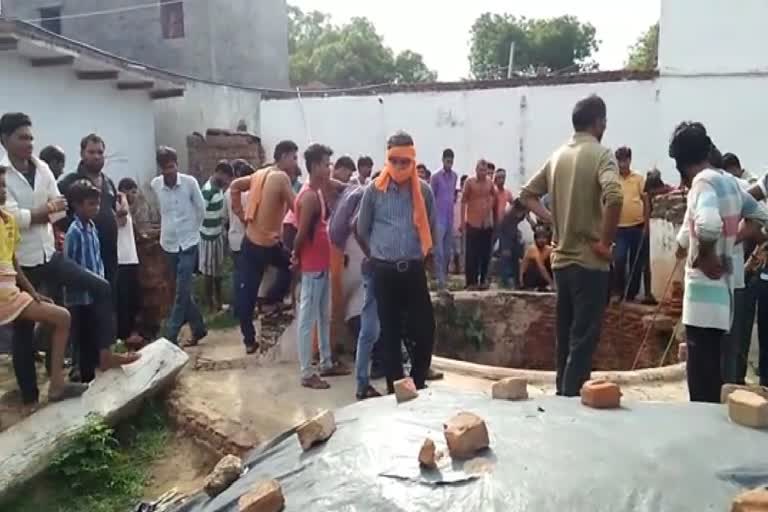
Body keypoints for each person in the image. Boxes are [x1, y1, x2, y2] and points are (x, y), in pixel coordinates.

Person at [1, 113, 122, 405]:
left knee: (101, 287)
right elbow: (12, 217)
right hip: (21, 261)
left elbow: (60, 207)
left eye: (31, 137)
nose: (28, 143)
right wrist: (40, 213)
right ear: (5, 140)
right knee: (23, 331)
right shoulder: (2, 173)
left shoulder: (41, 167)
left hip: (48, 253)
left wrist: (38, 214)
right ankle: (30, 396)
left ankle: (105, 354)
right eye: (22, 138)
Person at [520, 95, 623, 397]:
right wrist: (605, 242)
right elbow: (615, 196)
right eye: (604, 121)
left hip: (561, 263)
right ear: (598, 122)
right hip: (590, 264)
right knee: (583, 341)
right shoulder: (603, 154)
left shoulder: (558, 156)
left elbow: (526, 195)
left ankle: (560, 400)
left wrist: (555, 219)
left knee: (564, 338)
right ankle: (571, 404)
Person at [671, 122, 768, 402]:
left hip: (702, 301)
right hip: (723, 300)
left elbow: (709, 224)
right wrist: (732, 240)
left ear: (681, 161)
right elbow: (760, 215)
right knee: (716, 377)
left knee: (701, 387)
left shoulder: (702, 183)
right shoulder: (728, 182)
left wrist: (706, 255)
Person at [357, 131, 438, 394]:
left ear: (412, 159)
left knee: (424, 330)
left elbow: (432, 230)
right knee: (389, 334)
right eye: (395, 160)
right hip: (385, 272)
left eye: (405, 161)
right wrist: (375, 256)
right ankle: (397, 392)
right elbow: (361, 228)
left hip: (413, 270)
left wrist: (430, 261)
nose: (400, 167)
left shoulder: (424, 191)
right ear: (388, 159)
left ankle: (417, 383)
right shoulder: (374, 190)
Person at [0, 166, 87, 401]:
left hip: (11, 295)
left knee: (61, 317)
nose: (2, 191)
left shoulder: (7, 220)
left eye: (3, 187)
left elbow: (13, 263)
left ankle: (56, 384)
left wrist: (32, 293)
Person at [64, 180, 140, 383]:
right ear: (77, 205)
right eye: (90, 204)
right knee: (84, 337)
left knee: (98, 329)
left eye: (97, 204)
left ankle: (103, 361)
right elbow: (70, 267)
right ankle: (84, 376)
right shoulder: (74, 232)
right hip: (80, 297)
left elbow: (96, 258)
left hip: (95, 293)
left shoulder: (92, 228)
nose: (95, 208)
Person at [230, 141, 297, 353]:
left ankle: (249, 340)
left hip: (253, 241)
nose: (296, 163)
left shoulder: (260, 173)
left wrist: (241, 214)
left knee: (247, 293)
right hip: (264, 245)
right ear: (284, 156)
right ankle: (271, 301)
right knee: (293, 266)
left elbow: (234, 187)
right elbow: (297, 207)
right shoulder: (280, 177)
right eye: (294, 158)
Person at [293, 144, 343, 389]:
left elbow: (335, 186)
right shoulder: (310, 196)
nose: (328, 168)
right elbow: (301, 234)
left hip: (320, 264)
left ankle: (325, 361)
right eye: (325, 164)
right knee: (308, 319)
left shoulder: (318, 190)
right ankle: (306, 372)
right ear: (314, 167)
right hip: (312, 266)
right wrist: (295, 257)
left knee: (323, 315)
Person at [151, 146, 207, 347]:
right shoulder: (156, 185)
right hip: (169, 243)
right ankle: (199, 328)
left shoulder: (190, 183)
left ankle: (170, 336)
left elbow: (201, 209)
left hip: (189, 243)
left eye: (172, 166)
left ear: (177, 165)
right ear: (160, 168)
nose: (169, 171)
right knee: (181, 289)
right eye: (165, 168)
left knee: (181, 290)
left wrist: (193, 231)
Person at [330, 181, 381, 399]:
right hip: (364, 263)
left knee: (360, 314)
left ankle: (364, 378)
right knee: (370, 319)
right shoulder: (370, 198)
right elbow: (357, 225)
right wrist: (372, 252)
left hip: (346, 262)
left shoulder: (352, 193)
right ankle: (378, 365)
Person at [58, 134, 121, 291]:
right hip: (83, 257)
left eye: (100, 152)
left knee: (108, 296)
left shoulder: (108, 182)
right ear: (82, 154)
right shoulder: (69, 182)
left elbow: (112, 210)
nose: (96, 156)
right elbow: (57, 215)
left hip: (109, 253)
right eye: (91, 152)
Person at [613, 146, 648, 302]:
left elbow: (646, 201)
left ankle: (631, 294)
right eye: (620, 160)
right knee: (619, 259)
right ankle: (619, 291)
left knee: (636, 263)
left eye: (625, 160)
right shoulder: (613, 179)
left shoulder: (638, 178)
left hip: (637, 226)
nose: (622, 164)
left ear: (630, 160)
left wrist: (647, 224)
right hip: (619, 228)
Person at [199, 160, 234, 312]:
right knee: (208, 272)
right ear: (219, 173)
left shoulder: (219, 188)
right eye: (226, 177)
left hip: (218, 234)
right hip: (207, 237)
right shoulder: (207, 191)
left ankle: (219, 302)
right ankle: (210, 305)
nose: (227, 181)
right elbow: (199, 214)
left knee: (218, 270)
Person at [226, 159, 255, 321]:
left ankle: (236, 308)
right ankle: (246, 310)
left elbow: (225, 217)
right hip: (248, 239)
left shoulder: (227, 194)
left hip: (233, 238)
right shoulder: (251, 195)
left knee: (237, 275)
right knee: (248, 277)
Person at [461, 159, 495, 290]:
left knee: (485, 253)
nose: (483, 172)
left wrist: (489, 209)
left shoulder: (490, 183)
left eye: (485, 170)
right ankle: (471, 282)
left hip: (486, 224)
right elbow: (463, 201)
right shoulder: (469, 182)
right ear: (476, 170)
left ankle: (483, 280)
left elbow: (493, 196)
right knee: (472, 254)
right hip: (472, 222)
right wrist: (463, 221)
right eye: (481, 170)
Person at [116, 177, 142, 347]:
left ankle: (132, 332)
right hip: (122, 259)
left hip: (131, 258)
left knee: (133, 298)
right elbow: (122, 220)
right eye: (131, 192)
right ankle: (125, 335)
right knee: (123, 299)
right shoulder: (119, 205)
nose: (135, 195)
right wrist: (123, 198)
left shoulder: (128, 208)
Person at [430, 149, 458, 291]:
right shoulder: (435, 177)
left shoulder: (454, 176)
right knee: (439, 251)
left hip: (449, 218)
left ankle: (444, 278)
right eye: (447, 161)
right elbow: (431, 198)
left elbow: (452, 196)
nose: (450, 163)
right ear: (443, 160)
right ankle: (441, 282)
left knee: (447, 252)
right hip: (438, 219)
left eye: (451, 161)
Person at [497, 199, 533, 289]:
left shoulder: (523, 211)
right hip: (505, 235)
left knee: (516, 258)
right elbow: (503, 230)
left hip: (514, 235)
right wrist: (506, 246)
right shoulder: (509, 215)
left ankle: (517, 282)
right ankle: (505, 282)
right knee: (506, 257)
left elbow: (527, 218)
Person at [521, 226, 554, 290]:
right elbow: (541, 268)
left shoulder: (548, 249)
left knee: (553, 260)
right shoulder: (533, 249)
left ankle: (546, 286)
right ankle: (537, 286)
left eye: (544, 238)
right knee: (537, 265)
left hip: (541, 275)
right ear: (535, 239)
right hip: (528, 277)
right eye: (539, 238)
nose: (542, 240)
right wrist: (552, 284)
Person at [452, 175, 468, 275]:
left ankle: (463, 270)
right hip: (456, 226)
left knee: (464, 251)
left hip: (467, 226)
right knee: (455, 250)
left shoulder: (470, 196)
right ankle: (453, 269)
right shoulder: (455, 195)